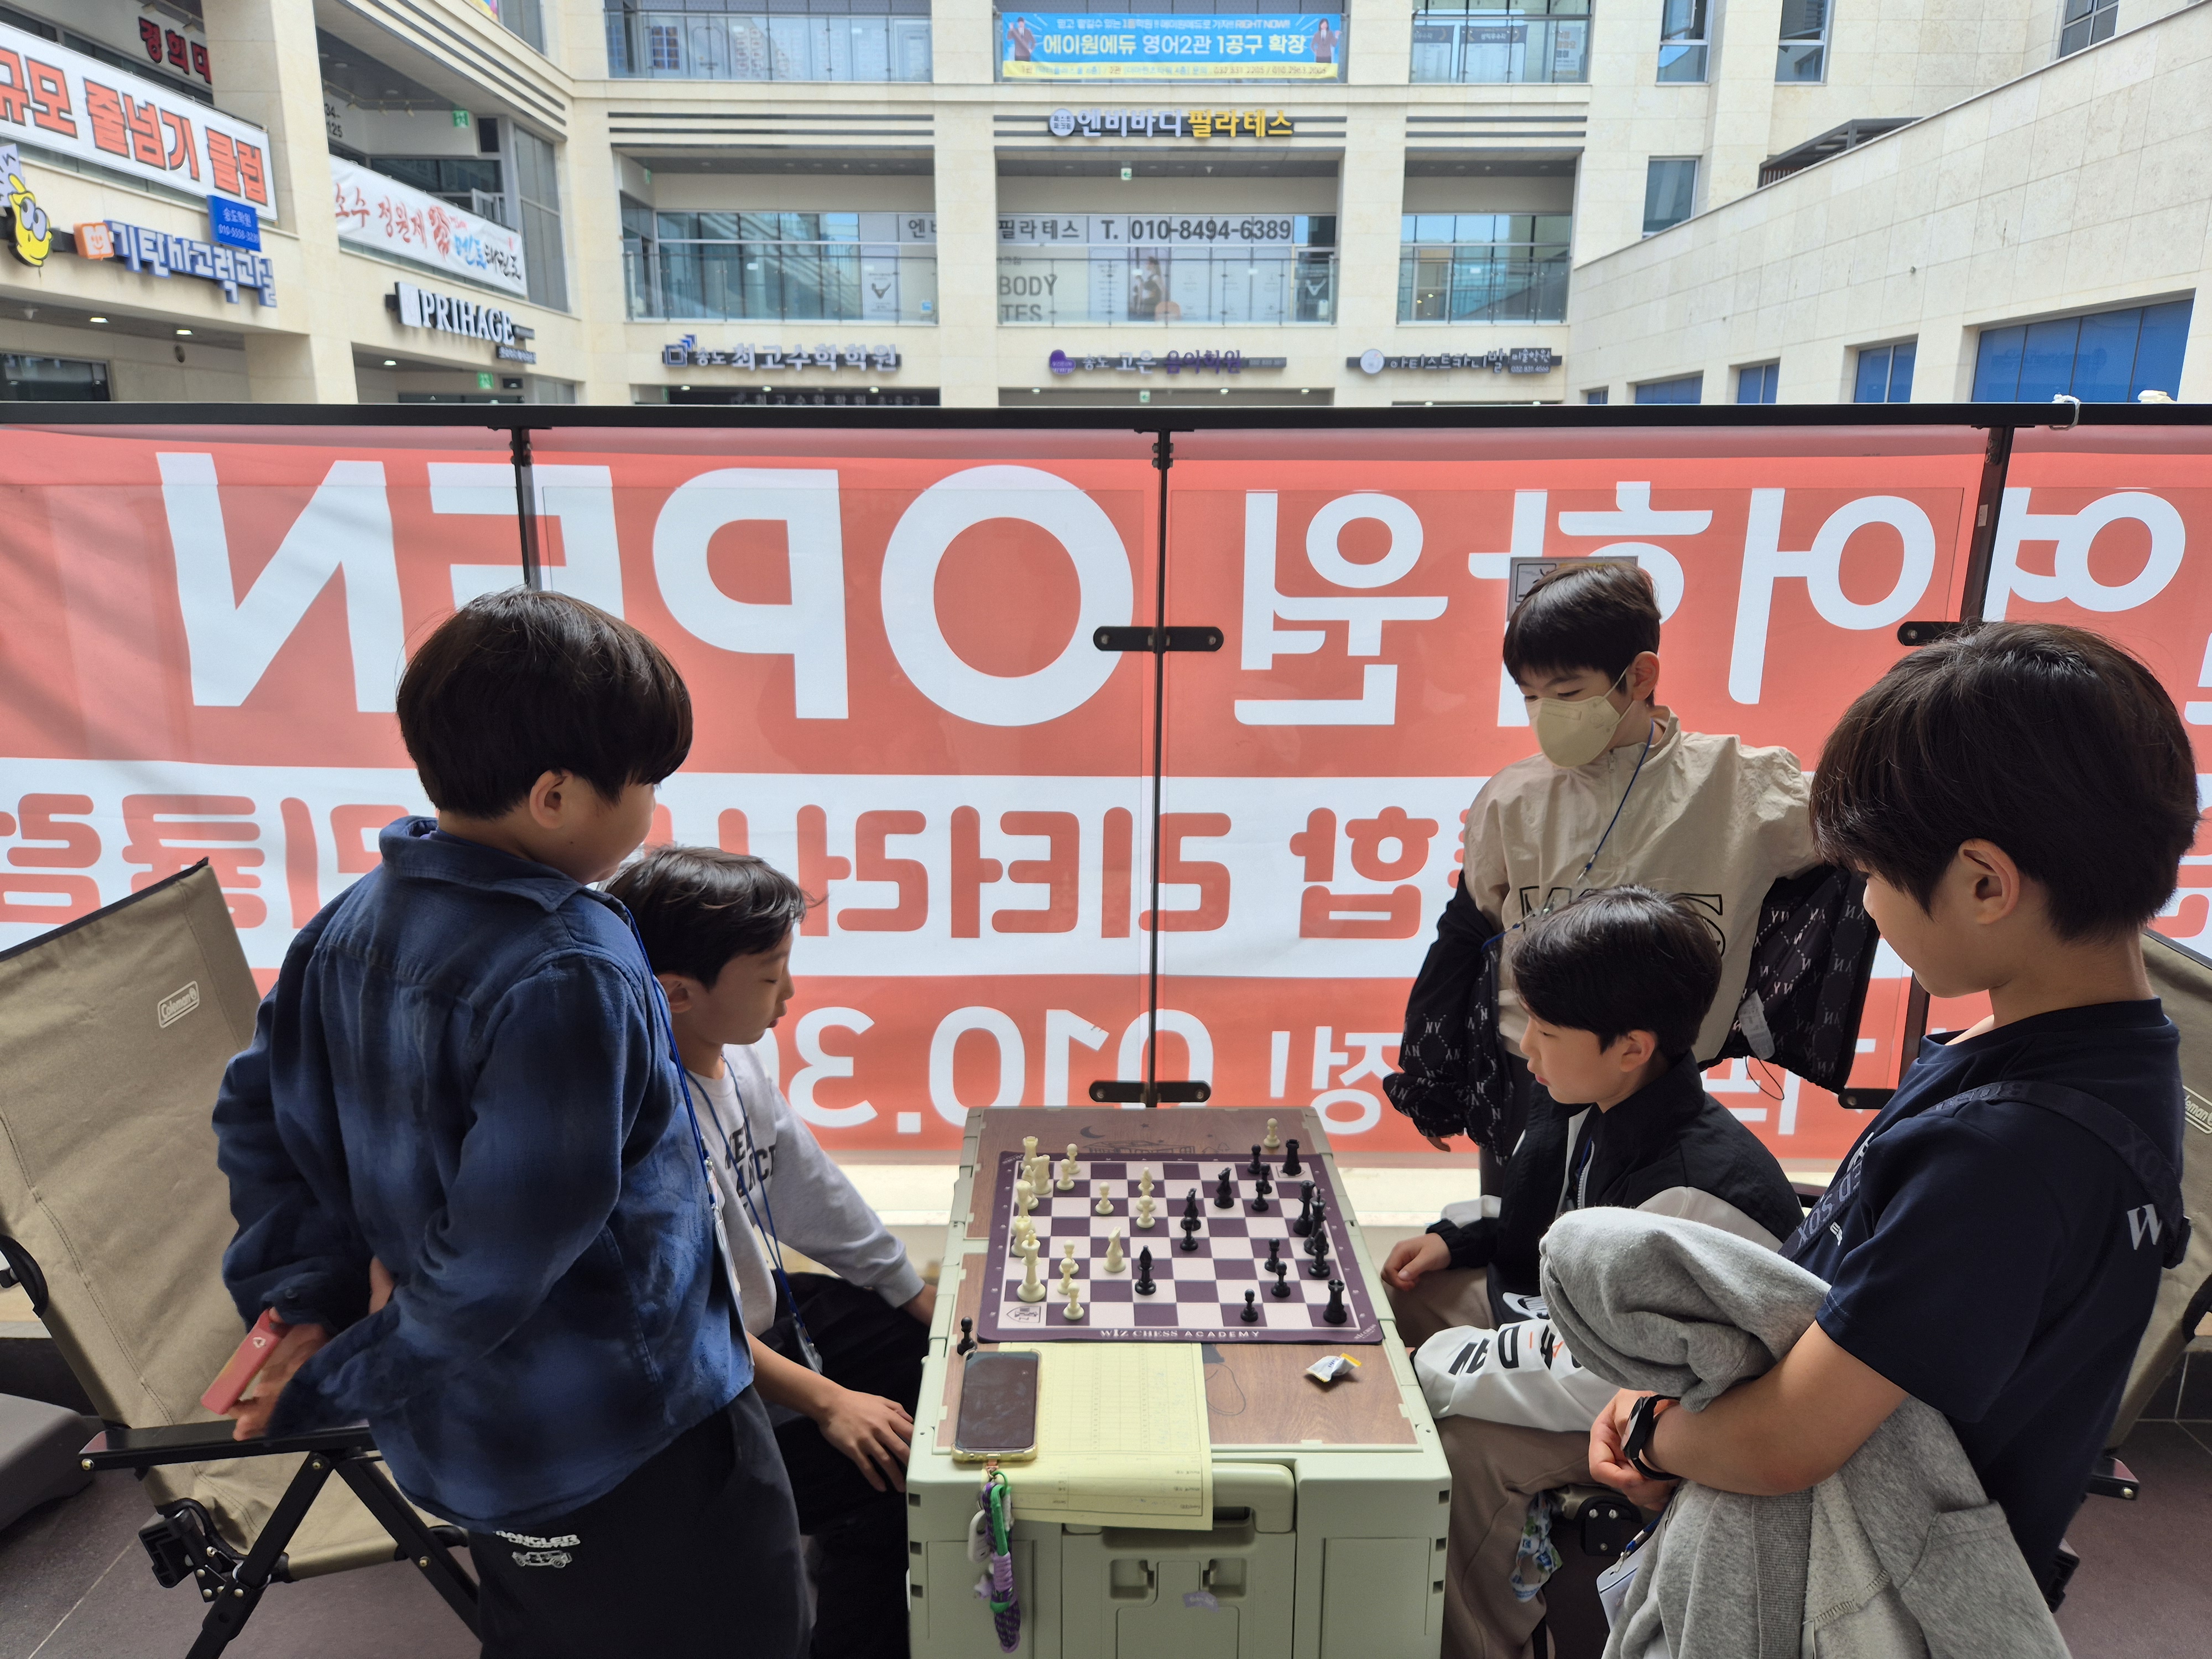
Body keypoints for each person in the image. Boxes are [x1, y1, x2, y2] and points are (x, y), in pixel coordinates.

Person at [210, 591, 808, 1659]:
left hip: (464, 1439)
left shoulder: (346, 925)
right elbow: (505, 1252)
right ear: (555, 796)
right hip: (629, 1434)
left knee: (545, 1628)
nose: (653, 807)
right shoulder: (573, 966)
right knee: (739, 1630)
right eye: (646, 783)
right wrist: (334, 1380)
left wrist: (307, 1297)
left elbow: (260, 1121)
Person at [1585, 622, 2198, 1606]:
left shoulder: (2003, 1154)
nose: (1868, 906)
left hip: (1867, 1594)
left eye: (1872, 877)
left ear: (1985, 883)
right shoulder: (2120, 1057)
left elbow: (1790, 1440)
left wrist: (1657, 1433)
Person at [1385, 887, 1804, 1659]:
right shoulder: (1597, 1098)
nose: (1527, 1049)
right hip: (1583, 1341)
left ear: (1631, 1047)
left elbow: (1600, 1376)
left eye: (1546, 1031)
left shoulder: (1687, 1195)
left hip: (1670, 1411)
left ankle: (1480, 1639)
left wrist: (1430, 1368)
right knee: (1403, 1296)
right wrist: (1456, 1238)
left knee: (1464, 1444)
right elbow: (1546, 1222)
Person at [606, 844, 933, 1659]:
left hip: (758, 1327)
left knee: (932, 1359)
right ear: (676, 992)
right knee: (896, 1476)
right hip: (690, 1396)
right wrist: (829, 1403)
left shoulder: (738, 1055)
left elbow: (807, 1188)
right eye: (769, 976)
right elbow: (688, 1325)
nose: (788, 995)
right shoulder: (643, 1127)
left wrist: (913, 1293)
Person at [1388, 560, 1820, 1159]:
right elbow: (1468, 930)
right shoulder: (1511, 799)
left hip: (1659, 1078)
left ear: (1639, 676)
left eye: (1567, 694)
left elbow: (1867, 851)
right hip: (1530, 1071)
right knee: (1520, 1216)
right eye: (1531, 697)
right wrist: (1429, 1070)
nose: (1546, 714)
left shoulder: (1746, 784)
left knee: (1645, 1211)